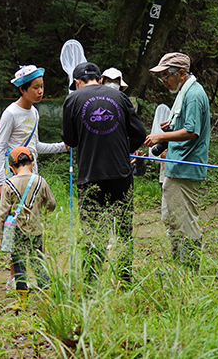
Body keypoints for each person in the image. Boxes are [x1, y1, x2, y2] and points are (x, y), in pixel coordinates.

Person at [61, 62, 146, 284]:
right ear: (99, 80)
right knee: (124, 229)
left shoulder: (72, 99)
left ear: (78, 82)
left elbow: (69, 140)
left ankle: (92, 282)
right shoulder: (119, 97)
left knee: (93, 231)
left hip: (90, 174)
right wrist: (121, 150)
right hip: (121, 173)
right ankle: (126, 279)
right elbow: (139, 133)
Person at [144, 52, 210, 268]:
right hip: (176, 165)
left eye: (166, 76)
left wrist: (160, 136)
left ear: (181, 73)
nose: (164, 82)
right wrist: (171, 128)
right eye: (161, 77)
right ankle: (177, 269)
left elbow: (192, 131)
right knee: (172, 220)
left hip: (186, 168)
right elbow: (184, 126)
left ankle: (190, 274)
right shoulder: (185, 92)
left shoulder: (193, 94)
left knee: (186, 223)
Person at [0, 147, 56, 308]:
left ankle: (23, 301)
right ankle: (47, 298)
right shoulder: (40, 181)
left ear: (11, 167)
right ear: (33, 162)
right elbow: (52, 205)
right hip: (36, 230)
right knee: (38, 263)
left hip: (17, 231)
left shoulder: (9, 184)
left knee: (19, 265)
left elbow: (2, 212)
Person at [0, 65, 67, 196]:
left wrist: (63, 147)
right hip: (14, 174)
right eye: (36, 87)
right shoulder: (11, 113)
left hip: (32, 173)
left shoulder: (34, 112)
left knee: (32, 213)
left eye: (42, 86)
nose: (40, 91)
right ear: (22, 89)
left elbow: (35, 145)